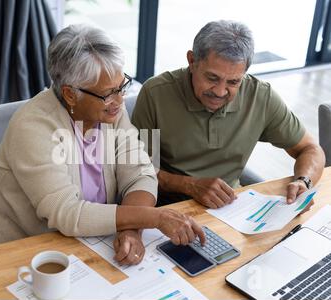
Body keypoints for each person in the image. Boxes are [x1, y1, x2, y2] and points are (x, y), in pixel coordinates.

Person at [0, 24, 206, 265]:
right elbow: (67, 213)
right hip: (0, 250)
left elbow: (140, 173)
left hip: (75, 247)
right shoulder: (32, 127)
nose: (120, 101)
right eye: (108, 93)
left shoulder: (110, 112)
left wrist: (131, 231)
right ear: (70, 94)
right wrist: (155, 217)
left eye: (122, 87)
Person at [132, 20, 325, 208]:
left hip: (231, 208)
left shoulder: (260, 97)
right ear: (192, 61)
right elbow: (134, 168)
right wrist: (189, 185)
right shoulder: (155, 94)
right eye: (212, 77)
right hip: (166, 207)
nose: (220, 91)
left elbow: (310, 148)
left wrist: (304, 182)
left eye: (233, 82)